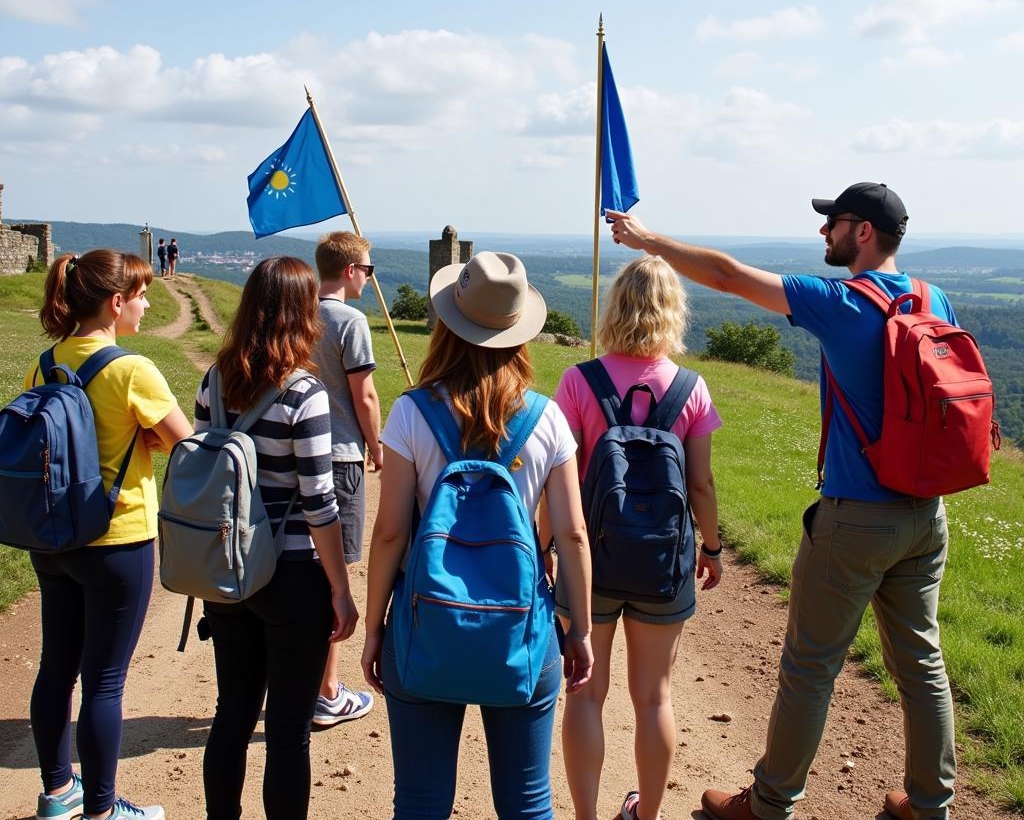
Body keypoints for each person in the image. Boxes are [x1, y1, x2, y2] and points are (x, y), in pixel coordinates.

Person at [608, 182, 957, 820]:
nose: (825, 234)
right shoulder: (935, 299)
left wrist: (645, 239)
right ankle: (931, 804)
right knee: (921, 663)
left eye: (835, 224)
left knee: (809, 667)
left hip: (855, 517)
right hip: (926, 514)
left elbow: (727, 274)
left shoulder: (840, 300)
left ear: (864, 233)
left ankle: (768, 804)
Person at [360, 251, 594, 820]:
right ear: (519, 332)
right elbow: (573, 535)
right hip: (523, 629)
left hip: (425, 621)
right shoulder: (548, 419)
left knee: (419, 800)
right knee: (527, 799)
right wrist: (580, 630)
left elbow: (390, 533)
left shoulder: (411, 414)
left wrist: (373, 632)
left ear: (446, 324)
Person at [549, 256, 724, 820]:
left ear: (614, 306)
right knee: (654, 698)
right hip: (663, 563)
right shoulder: (692, 389)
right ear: (673, 311)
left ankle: (585, 817)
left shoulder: (579, 380)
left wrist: (546, 549)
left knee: (584, 691)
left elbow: (562, 479)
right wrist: (713, 547)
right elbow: (699, 481)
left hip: (590, 559)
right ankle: (645, 815)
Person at [27, 250, 192, 820]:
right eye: (142, 296)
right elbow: (185, 443)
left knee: (56, 667)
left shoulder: (45, 362)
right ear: (116, 303)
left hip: (52, 536)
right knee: (104, 682)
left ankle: (57, 792)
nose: (146, 306)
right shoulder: (132, 370)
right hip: (117, 538)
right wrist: (145, 439)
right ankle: (101, 810)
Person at [195, 256, 358, 820]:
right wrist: (339, 589)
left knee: (232, 713)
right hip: (289, 575)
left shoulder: (216, 377)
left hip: (228, 571)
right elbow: (320, 503)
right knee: (288, 730)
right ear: (303, 310)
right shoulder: (302, 393)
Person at [309, 231, 381, 727]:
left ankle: (303, 679)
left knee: (303, 568)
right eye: (369, 270)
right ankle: (327, 691)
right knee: (333, 577)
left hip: (296, 454)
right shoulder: (349, 320)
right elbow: (366, 395)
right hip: (338, 455)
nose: (369, 278)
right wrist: (376, 447)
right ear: (352, 269)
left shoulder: (296, 314)